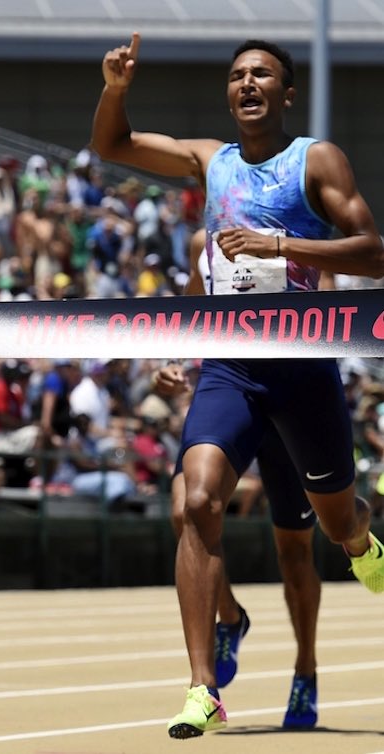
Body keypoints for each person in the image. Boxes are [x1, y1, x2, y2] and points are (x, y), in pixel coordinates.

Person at [91, 34, 384, 739]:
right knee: (194, 500)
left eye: (262, 75)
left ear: (285, 94)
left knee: (335, 524)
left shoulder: (315, 159)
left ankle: (363, 545)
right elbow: (115, 145)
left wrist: (279, 245)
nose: (247, 84)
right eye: (236, 76)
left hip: (305, 367)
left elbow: (373, 250)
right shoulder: (208, 161)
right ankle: (203, 689)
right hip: (229, 369)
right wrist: (116, 88)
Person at [154, 228, 321, 729]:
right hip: (230, 390)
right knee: (188, 506)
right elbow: (191, 306)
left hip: (291, 393)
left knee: (295, 552)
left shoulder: (293, 224)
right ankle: (228, 621)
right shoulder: (200, 240)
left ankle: (305, 672)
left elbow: (329, 304)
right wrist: (174, 361)